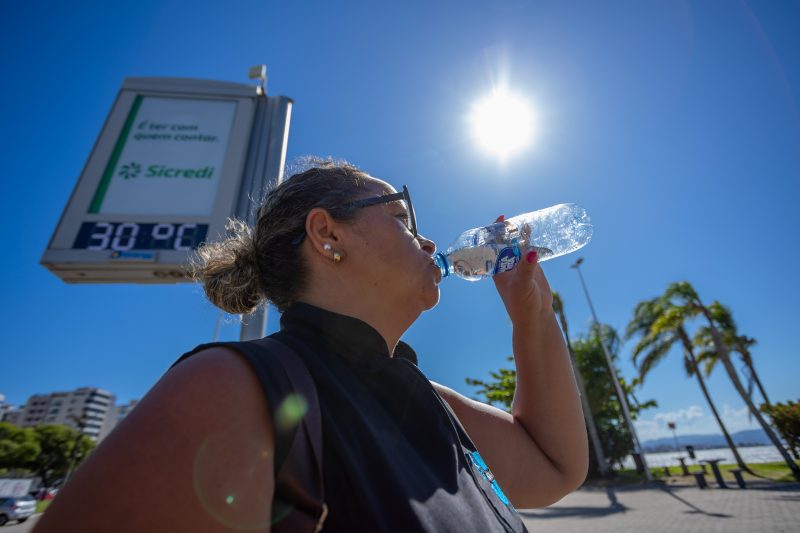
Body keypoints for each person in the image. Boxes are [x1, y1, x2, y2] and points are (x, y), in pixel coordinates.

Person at [35, 159, 588, 532]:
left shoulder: (423, 398)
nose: (429, 240)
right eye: (400, 215)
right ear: (328, 235)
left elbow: (556, 467)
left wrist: (532, 314)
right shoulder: (238, 388)